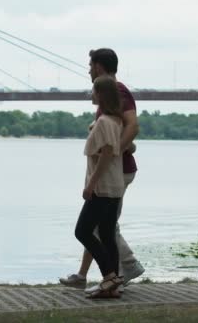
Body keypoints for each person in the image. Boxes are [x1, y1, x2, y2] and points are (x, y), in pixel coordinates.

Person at [60, 48, 144, 291]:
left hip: (113, 175)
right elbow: (115, 130)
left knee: (98, 228)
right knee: (102, 228)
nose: (88, 70)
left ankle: (124, 268)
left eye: (90, 65)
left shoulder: (116, 90)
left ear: (99, 66)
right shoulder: (109, 108)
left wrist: (115, 152)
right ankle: (90, 275)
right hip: (109, 174)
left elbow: (132, 127)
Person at [75, 75, 125, 298]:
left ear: (102, 95)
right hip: (115, 186)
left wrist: (90, 185)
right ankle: (112, 287)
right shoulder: (114, 121)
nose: (91, 94)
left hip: (102, 188)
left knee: (83, 231)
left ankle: (110, 276)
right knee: (106, 235)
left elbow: (105, 155)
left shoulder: (105, 122)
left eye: (94, 91)